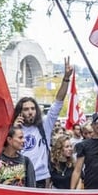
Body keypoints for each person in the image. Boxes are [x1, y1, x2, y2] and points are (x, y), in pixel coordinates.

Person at [12, 58, 72, 187]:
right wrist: (13, 130)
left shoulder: (44, 126)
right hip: (19, 178)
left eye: (33, 109)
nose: (30, 112)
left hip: (40, 179)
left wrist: (66, 78)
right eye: (26, 109)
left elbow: (58, 102)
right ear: (20, 112)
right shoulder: (12, 128)